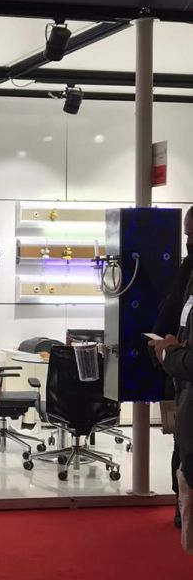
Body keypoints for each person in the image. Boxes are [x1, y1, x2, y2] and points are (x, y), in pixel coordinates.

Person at [150, 207, 193, 553]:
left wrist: (171, 355)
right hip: (183, 385)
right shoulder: (187, 271)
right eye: (186, 233)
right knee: (182, 449)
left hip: (183, 371)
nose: (188, 240)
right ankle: (181, 508)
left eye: (192, 233)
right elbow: (176, 309)